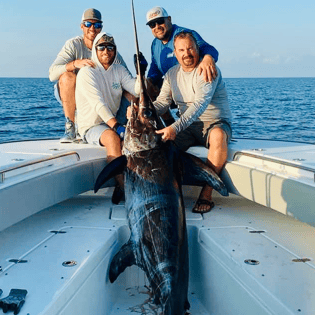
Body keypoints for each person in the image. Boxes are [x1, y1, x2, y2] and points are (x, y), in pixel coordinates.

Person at [153, 31, 232, 213]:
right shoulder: (171, 74)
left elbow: (200, 104)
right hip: (188, 127)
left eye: (190, 48)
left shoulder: (208, 69)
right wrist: (142, 109)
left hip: (215, 121)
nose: (186, 53)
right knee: (161, 146)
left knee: (219, 136)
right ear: (175, 52)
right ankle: (168, 193)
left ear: (198, 49)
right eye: (181, 50)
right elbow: (162, 103)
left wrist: (174, 127)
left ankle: (207, 193)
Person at [75, 32, 141, 204]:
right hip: (92, 124)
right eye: (101, 47)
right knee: (113, 138)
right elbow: (98, 105)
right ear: (95, 50)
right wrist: (117, 127)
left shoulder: (118, 70)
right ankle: (123, 187)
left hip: (112, 118)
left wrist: (141, 72)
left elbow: (136, 90)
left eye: (110, 47)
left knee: (136, 105)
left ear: (115, 50)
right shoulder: (87, 72)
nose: (106, 51)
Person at [49, 8, 131, 143]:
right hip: (75, 94)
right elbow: (52, 74)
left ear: (101, 28)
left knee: (129, 91)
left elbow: (127, 78)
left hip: (100, 94)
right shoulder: (73, 45)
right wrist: (75, 64)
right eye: (88, 24)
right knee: (67, 77)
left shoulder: (108, 50)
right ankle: (70, 127)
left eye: (97, 25)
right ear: (82, 26)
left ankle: (120, 125)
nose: (92, 28)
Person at [145, 6, 219, 99]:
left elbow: (209, 49)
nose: (157, 27)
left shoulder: (186, 34)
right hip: (172, 87)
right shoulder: (155, 44)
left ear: (169, 19)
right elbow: (155, 68)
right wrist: (148, 81)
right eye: (152, 24)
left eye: (160, 21)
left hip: (193, 86)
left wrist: (208, 57)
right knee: (144, 89)